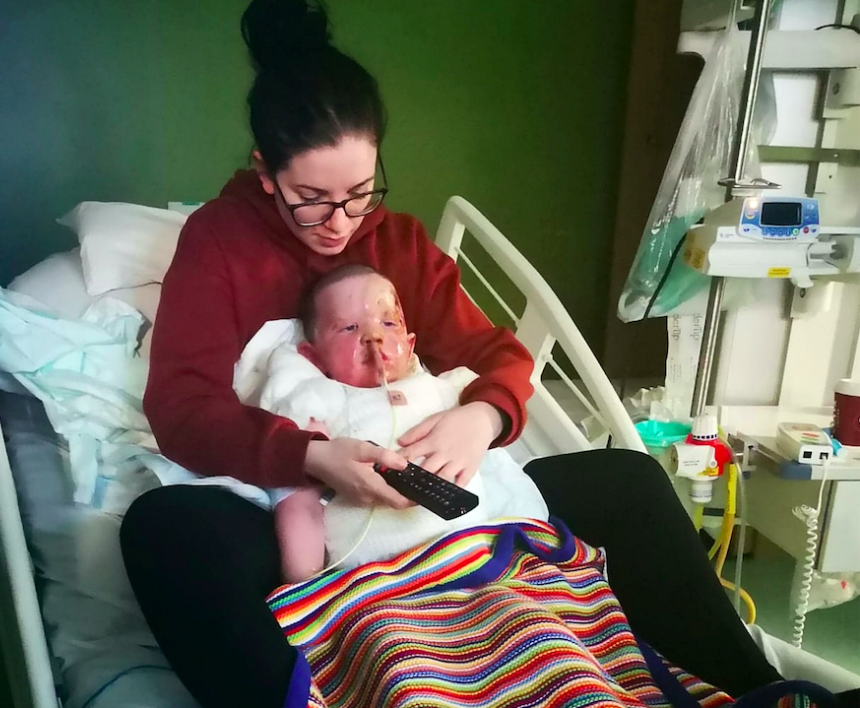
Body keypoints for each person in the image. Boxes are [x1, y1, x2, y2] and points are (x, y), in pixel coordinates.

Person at [120, 1, 846, 707]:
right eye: (311, 198)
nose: (340, 224)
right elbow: (181, 407)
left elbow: (497, 358)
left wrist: (482, 421)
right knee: (164, 533)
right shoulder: (219, 244)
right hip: (305, 498)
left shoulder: (398, 243)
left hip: (439, 501)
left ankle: (758, 691)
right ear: (265, 171)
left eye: (361, 194)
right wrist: (309, 457)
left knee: (626, 481)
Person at [261, 263, 548, 582]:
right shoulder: (317, 406)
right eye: (349, 328)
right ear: (314, 358)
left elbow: (500, 467)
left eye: (388, 322)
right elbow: (298, 505)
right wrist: (305, 582)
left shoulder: (444, 391)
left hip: (475, 557)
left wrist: (482, 416)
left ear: (410, 345)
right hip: (379, 581)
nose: (374, 337)